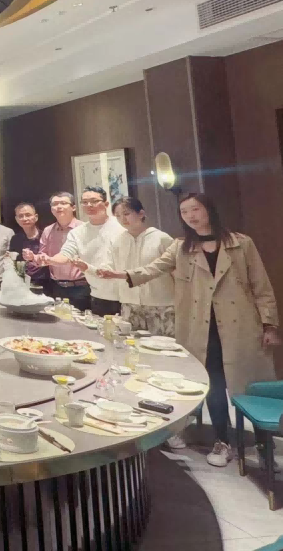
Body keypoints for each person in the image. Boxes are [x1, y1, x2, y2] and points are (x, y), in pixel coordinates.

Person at [97, 193, 280, 468]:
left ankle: (265, 446)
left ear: (209, 210)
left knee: (250, 385)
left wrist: (270, 325)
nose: (191, 216)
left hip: (241, 326)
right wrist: (122, 275)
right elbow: (154, 268)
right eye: (184, 212)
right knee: (213, 386)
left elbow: (261, 286)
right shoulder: (181, 247)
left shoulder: (241, 243)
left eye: (195, 209)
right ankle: (222, 440)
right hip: (201, 327)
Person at [28, 187, 122, 316]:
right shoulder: (78, 232)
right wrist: (49, 260)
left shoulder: (120, 226)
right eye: (85, 202)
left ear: (106, 204)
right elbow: (66, 254)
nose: (89, 205)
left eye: (94, 201)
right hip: (97, 293)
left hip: (124, 292)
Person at [102, 197, 176, 336]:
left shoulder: (161, 238)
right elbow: (110, 266)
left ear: (141, 213)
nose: (123, 219)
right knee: (132, 344)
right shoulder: (117, 241)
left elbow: (175, 271)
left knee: (164, 344)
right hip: (129, 304)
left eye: (126, 213)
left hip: (161, 304)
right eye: (118, 216)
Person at [28, 192, 86, 308]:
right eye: (55, 204)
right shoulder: (48, 230)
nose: (58, 207)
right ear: (51, 209)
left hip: (81, 287)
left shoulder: (84, 228)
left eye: (63, 203)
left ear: (73, 207)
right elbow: (43, 257)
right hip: (56, 287)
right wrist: (33, 257)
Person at [9, 202, 49, 292]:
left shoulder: (46, 236)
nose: (24, 219)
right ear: (16, 219)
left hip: (45, 285)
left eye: (28, 215)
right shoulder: (15, 239)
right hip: (21, 286)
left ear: (36, 217)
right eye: (20, 216)